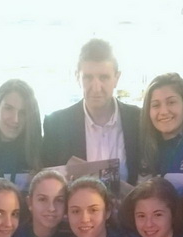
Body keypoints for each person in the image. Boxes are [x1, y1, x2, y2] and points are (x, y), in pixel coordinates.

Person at [41, 39, 140, 185]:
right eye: (88, 77)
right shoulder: (56, 125)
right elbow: (48, 183)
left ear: (116, 78)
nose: (96, 87)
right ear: (77, 77)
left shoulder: (138, 120)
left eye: (104, 77)